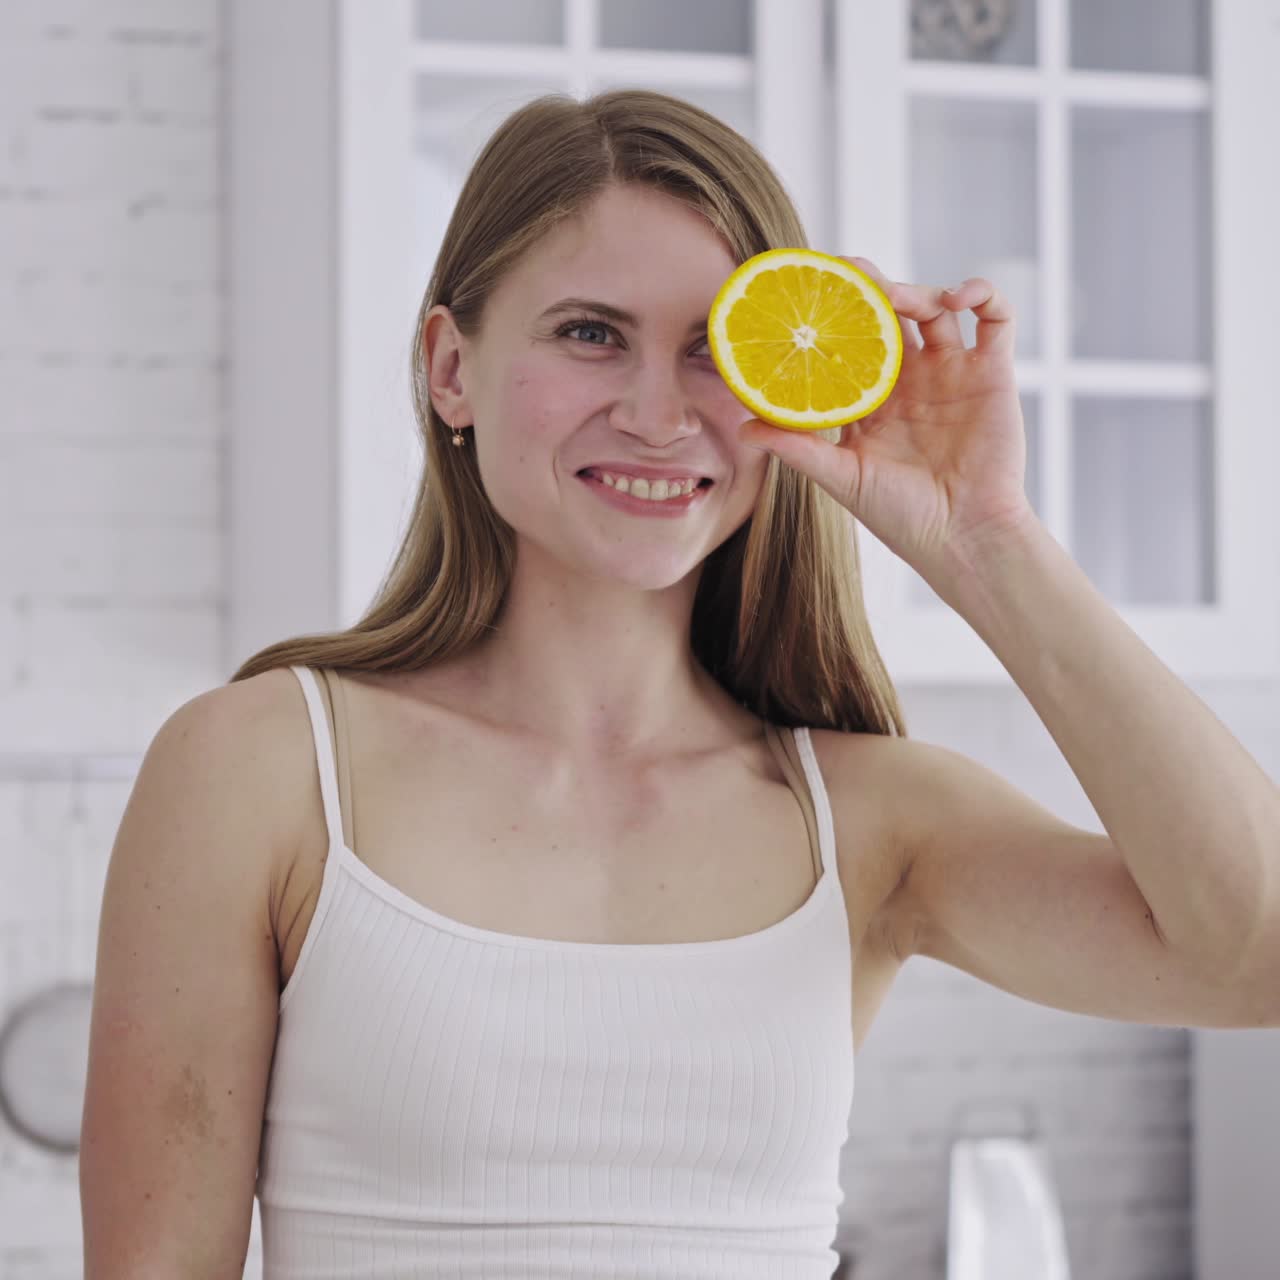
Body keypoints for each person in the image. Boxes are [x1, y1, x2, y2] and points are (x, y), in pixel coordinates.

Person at [79, 88, 1280, 1279]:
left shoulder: (866, 819)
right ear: (452, 367)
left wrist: (987, 538)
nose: (658, 415)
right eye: (589, 332)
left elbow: (1254, 954)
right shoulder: (262, 770)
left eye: (712, 348)